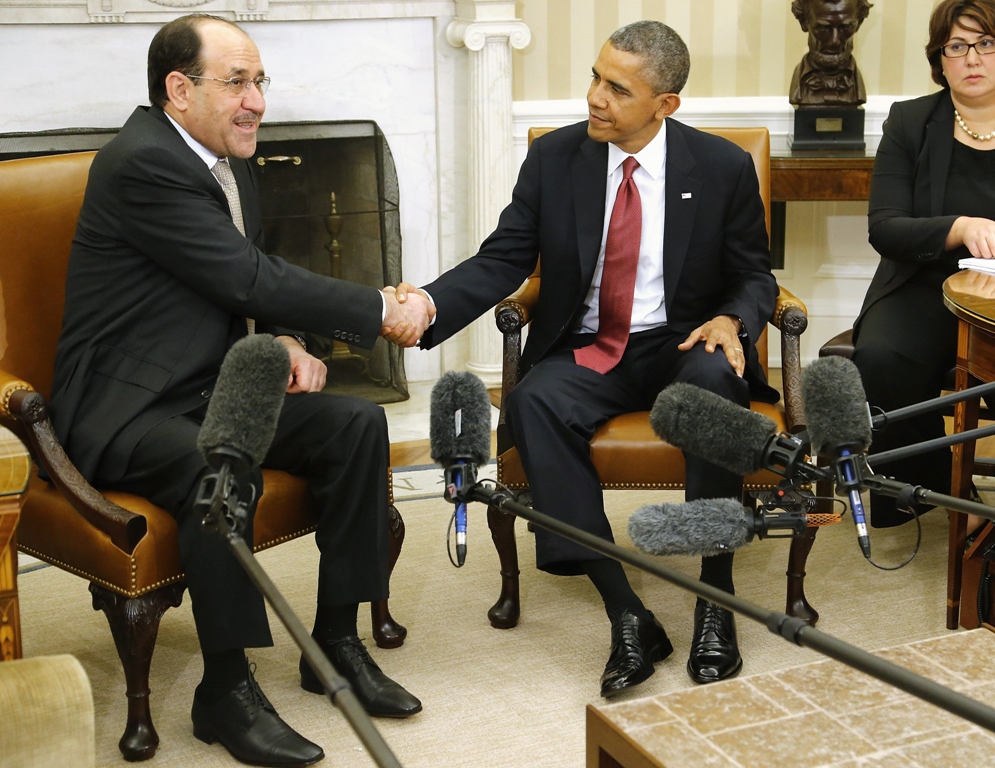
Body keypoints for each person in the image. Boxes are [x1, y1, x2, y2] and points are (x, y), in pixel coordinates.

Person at [50, 14, 432, 767]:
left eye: (260, 81)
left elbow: (235, 278)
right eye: (237, 82)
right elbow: (245, 276)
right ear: (178, 88)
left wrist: (284, 339)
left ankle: (334, 646)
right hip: (130, 407)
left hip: (212, 384)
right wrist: (376, 310)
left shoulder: (229, 158)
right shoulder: (141, 162)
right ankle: (224, 689)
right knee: (214, 465)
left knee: (355, 427)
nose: (256, 99)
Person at [394, 21, 777, 694]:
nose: (596, 97)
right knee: (533, 400)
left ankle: (715, 597)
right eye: (595, 77)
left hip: (681, 342)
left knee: (716, 387)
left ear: (665, 105)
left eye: (617, 88)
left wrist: (730, 318)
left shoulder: (719, 168)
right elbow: (504, 256)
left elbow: (754, 276)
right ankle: (626, 613)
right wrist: (429, 304)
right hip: (592, 344)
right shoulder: (556, 159)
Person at [853, 0, 995, 534]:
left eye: (985, 43)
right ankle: (926, 486)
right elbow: (884, 226)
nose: (972, 58)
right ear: (940, 59)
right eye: (956, 47)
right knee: (883, 355)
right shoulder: (912, 121)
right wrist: (958, 227)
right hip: (925, 280)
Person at [789, 0, 873, 107]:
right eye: (823, 28)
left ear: (859, 23)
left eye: (845, 27)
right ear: (804, 22)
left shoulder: (856, 85)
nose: (834, 41)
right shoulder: (798, 85)